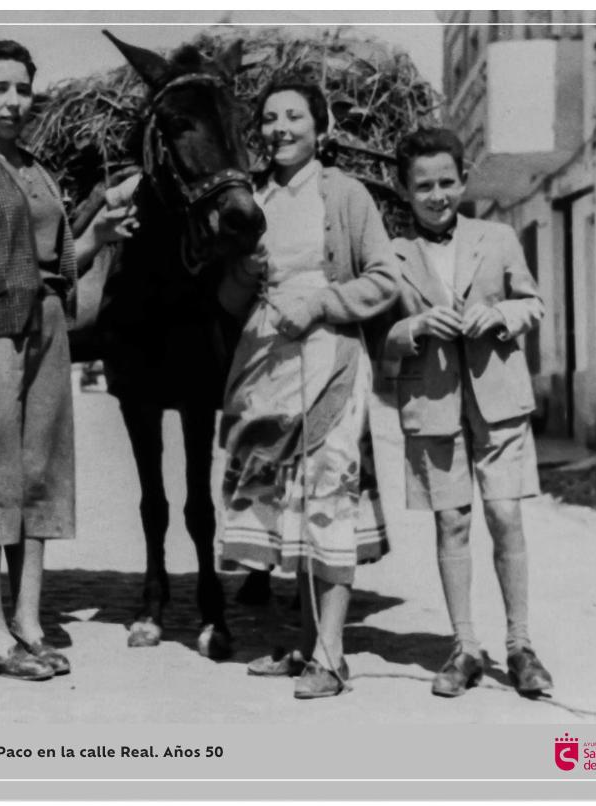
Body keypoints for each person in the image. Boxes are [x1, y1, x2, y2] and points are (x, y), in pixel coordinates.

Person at [0, 40, 135, 681]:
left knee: (36, 476)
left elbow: (54, 263)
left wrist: (99, 234)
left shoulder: (35, 168)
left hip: (44, 331)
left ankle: (28, 622)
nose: (14, 101)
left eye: (22, 89)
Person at [217, 79, 399, 699]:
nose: (280, 128)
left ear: (320, 127)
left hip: (329, 362)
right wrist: (242, 275)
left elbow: (385, 279)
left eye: (295, 116)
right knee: (287, 507)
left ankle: (332, 654)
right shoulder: (253, 198)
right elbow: (228, 300)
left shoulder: (345, 195)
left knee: (327, 498)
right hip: (266, 368)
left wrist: (322, 304)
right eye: (269, 118)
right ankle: (301, 644)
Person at [382, 127, 553, 697]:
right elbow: (378, 334)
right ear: (405, 191)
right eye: (423, 186)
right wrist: (415, 327)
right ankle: (465, 647)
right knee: (451, 521)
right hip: (431, 406)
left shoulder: (497, 237)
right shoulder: (391, 254)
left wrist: (499, 313)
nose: (437, 196)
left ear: (463, 180)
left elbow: (534, 303)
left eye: (446, 183)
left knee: (505, 515)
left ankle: (521, 646)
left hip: (499, 402)